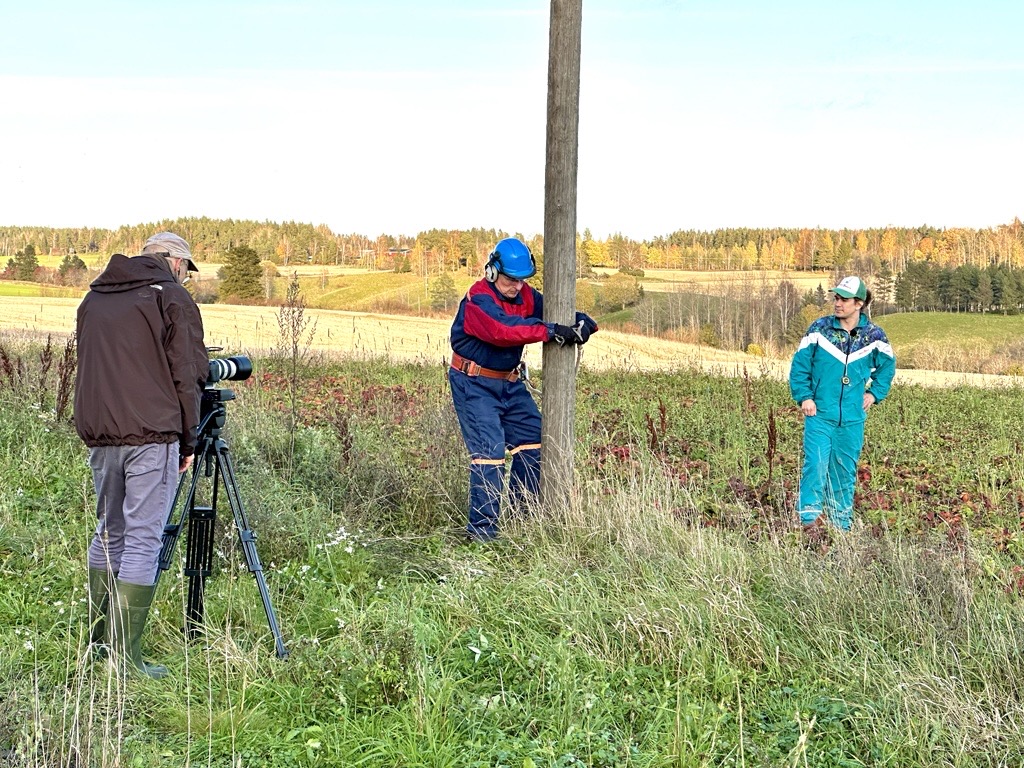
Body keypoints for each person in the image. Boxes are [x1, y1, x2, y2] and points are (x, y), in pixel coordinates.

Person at [75, 232, 209, 678]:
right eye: (184, 268)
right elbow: (188, 375)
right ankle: (124, 660)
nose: (184, 276)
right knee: (143, 538)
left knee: (109, 533)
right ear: (171, 261)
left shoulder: (94, 299)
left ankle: (96, 645)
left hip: (102, 435)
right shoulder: (170, 298)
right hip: (151, 434)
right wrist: (188, 441)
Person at [449, 237, 597, 542]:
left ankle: (520, 521)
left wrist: (582, 323)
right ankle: (482, 537)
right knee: (489, 455)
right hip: (474, 384)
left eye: (521, 280)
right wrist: (553, 332)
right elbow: (504, 330)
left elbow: (555, 313)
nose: (516, 287)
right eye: (510, 280)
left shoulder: (526, 296)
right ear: (492, 271)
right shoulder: (478, 299)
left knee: (535, 445)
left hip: (509, 383)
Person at [789, 275, 896, 532]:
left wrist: (874, 394)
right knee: (815, 465)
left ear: (859, 303)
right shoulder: (819, 330)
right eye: (836, 298)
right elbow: (800, 365)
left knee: (843, 472)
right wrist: (804, 396)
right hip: (819, 414)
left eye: (844, 299)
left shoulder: (874, 336)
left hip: (852, 419)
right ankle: (808, 525)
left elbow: (887, 367)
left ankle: (840, 528)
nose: (837, 303)